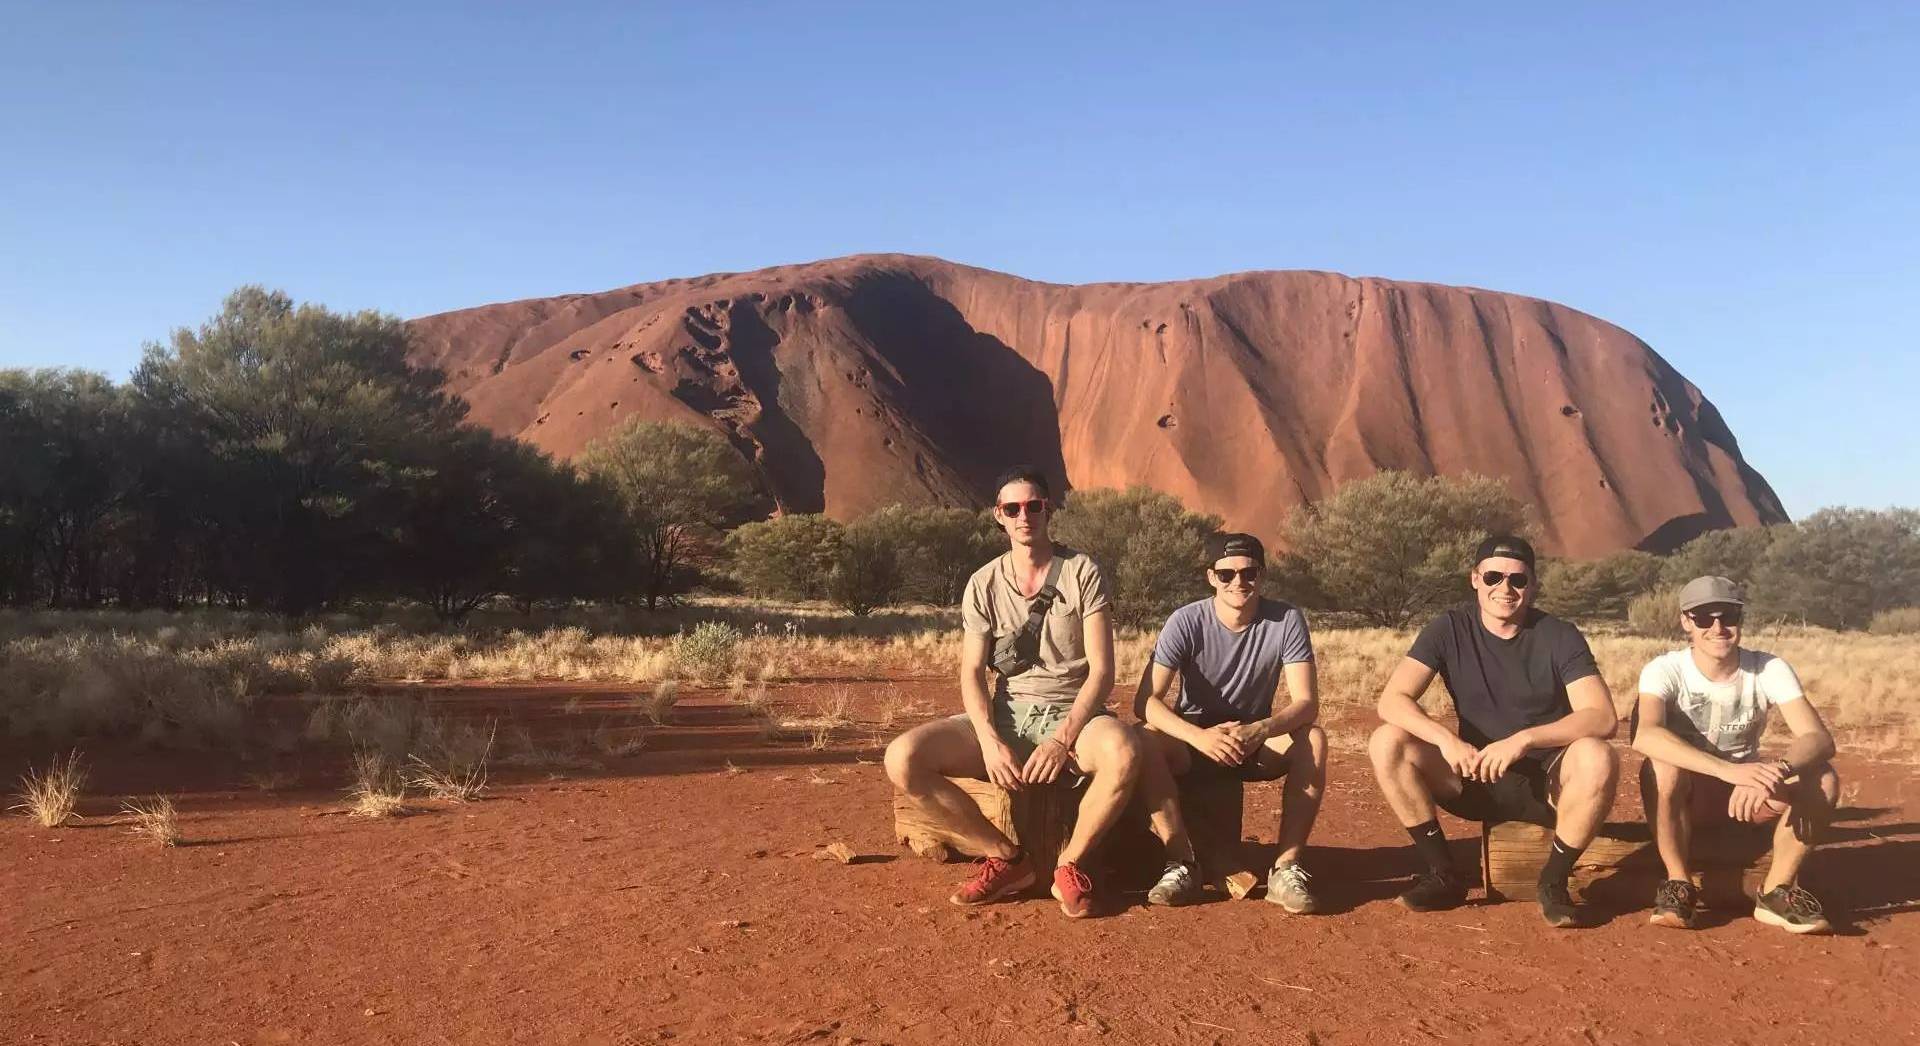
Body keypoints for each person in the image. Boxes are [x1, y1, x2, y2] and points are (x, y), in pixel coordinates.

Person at [884, 466, 1142, 918]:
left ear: (1049, 509)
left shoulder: (1082, 572)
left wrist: (1063, 738)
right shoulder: (983, 583)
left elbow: (1102, 671)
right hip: (1007, 712)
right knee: (902, 758)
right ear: (998, 516)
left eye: (1034, 505)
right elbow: (971, 673)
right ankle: (1006, 858)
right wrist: (987, 740)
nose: (1025, 516)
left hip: (1073, 714)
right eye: (1013, 508)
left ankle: (1069, 864)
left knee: (1125, 751)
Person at [1367, 535, 1620, 928]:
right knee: (1387, 741)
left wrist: (1524, 740)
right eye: (1494, 577)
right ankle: (1443, 874)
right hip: (1475, 776)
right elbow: (1392, 700)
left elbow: (1602, 717)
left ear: (1533, 586)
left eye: (1518, 580)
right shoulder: (1448, 629)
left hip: (1547, 785)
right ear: (1474, 579)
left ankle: (1553, 882)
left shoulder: (1559, 635)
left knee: (1598, 754)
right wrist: (1445, 740)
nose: (1505, 589)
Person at [1631, 576, 1838, 934]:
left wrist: (1776, 770)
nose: (1717, 627)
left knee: (1823, 778)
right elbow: (1645, 735)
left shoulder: (1768, 668)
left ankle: (1776, 892)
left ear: (1740, 619)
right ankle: (1678, 885)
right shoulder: (1665, 669)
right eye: (1703, 618)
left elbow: (1818, 738)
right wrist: (1728, 771)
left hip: (1747, 797)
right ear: (1685, 622)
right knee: (1664, 766)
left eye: (1727, 616)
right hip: (1689, 794)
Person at [1132, 532, 1327, 911]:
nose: (1239, 582)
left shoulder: (1286, 620)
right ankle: (1181, 863)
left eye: (1249, 573)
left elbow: (1306, 703)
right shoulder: (1185, 621)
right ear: (1211, 577)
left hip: (1254, 741)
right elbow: (1146, 701)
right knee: (1144, 738)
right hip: (1194, 741)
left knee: (1313, 740)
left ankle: (1286, 869)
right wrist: (1199, 737)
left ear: (1262, 574)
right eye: (1227, 574)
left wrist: (1261, 729)